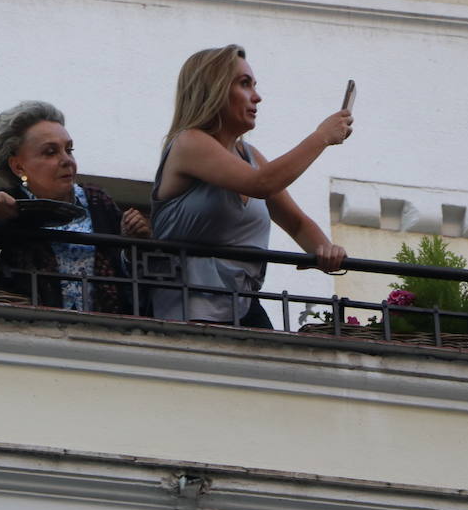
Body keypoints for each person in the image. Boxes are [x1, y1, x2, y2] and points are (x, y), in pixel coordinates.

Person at [150, 45, 352, 328]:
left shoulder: (250, 156)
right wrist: (321, 137)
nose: (257, 97)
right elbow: (262, 184)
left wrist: (326, 250)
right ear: (214, 89)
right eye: (245, 84)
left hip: (243, 306)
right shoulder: (188, 143)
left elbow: (296, 223)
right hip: (188, 310)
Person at [0, 101, 151, 313]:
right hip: (30, 336)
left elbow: (130, 281)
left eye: (69, 149)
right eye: (50, 152)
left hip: (102, 336)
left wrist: (132, 244)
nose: (67, 160)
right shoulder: (4, 205)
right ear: (18, 167)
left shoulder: (96, 202)